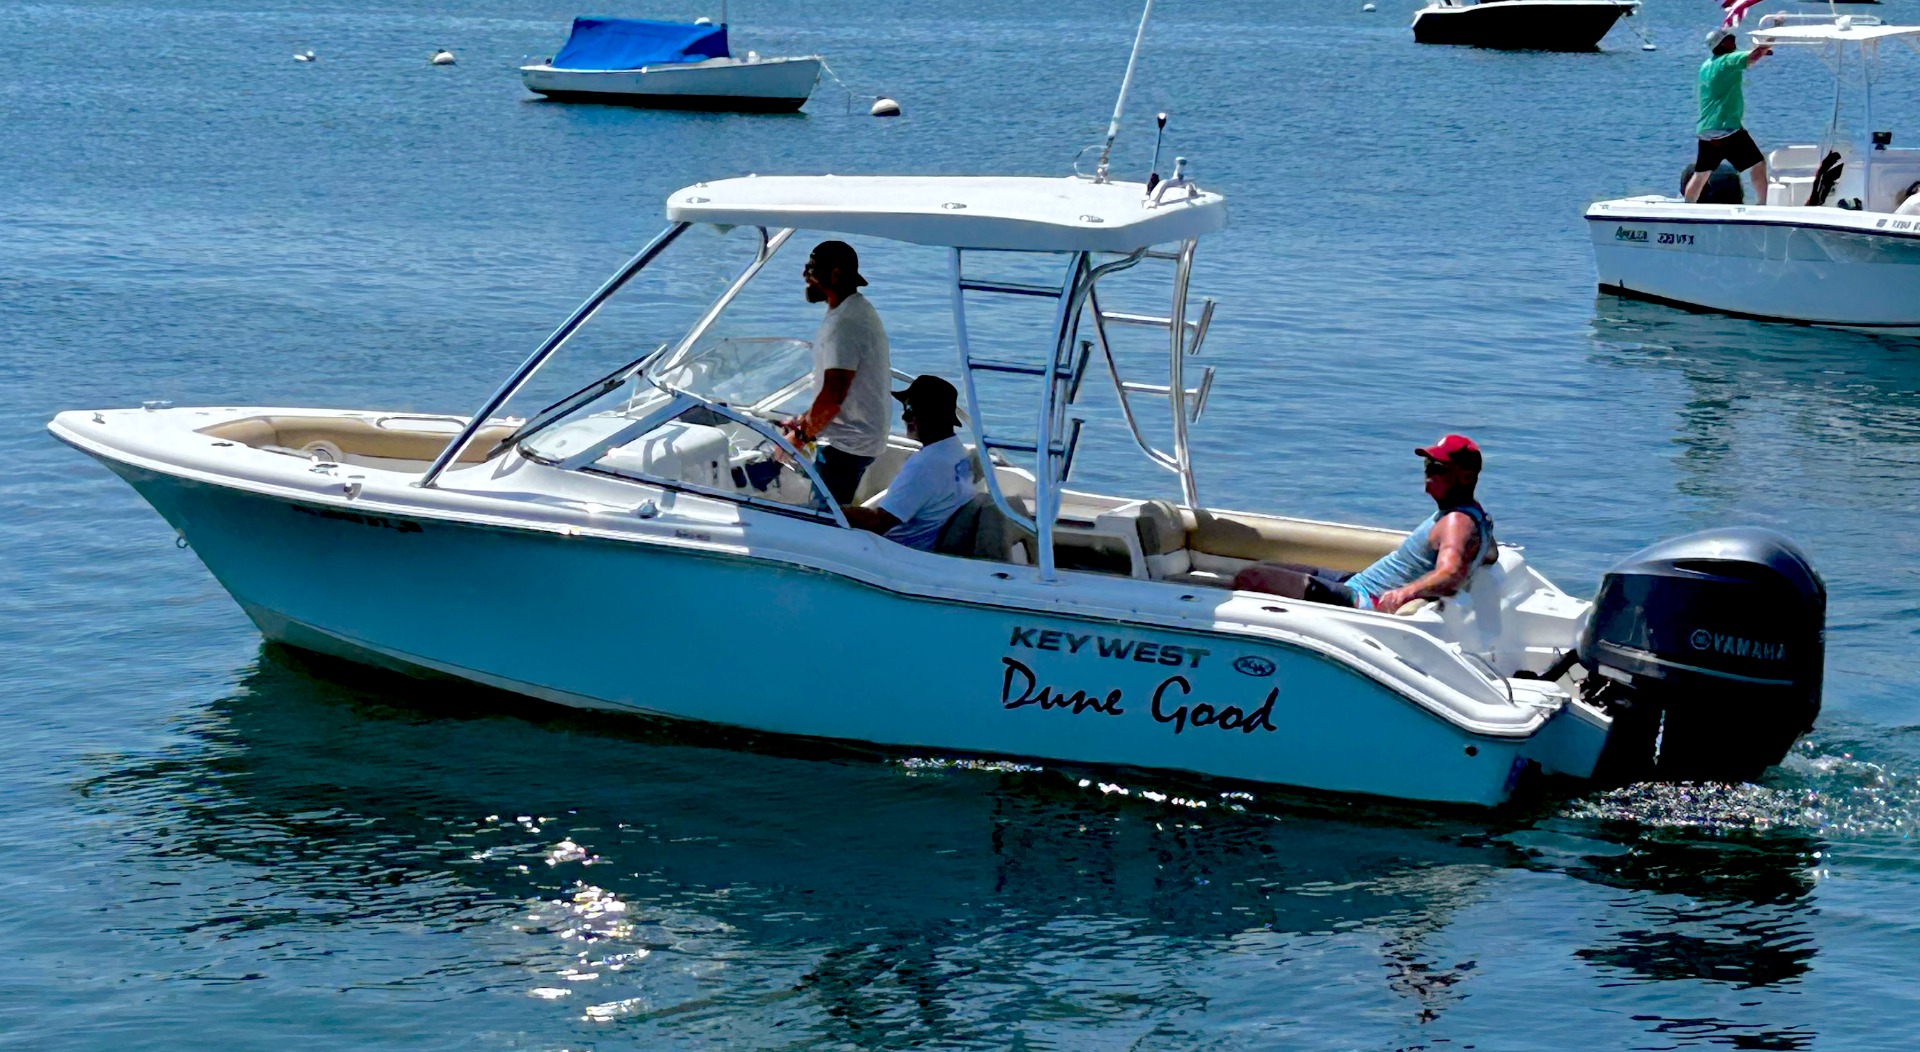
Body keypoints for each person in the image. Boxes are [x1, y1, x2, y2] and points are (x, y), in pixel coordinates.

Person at [1231, 434, 1498, 613]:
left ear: (1465, 477)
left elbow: (1451, 573)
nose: (1428, 473)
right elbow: (1489, 554)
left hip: (1363, 600)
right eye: (1427, 464)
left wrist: (1405, 593)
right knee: (1266, 568)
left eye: (1437, 467)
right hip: (1358, 583)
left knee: (1250, 577)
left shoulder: (1456, 522)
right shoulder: (1475, 517)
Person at [782, 240, 891, 504]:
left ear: (835, 274)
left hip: (846, 445)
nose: (805, 276)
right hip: (858, 438)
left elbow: (833, 396)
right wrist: (805, 419)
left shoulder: (845, 323)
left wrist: (798, 437)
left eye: (811, 268)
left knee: (822, 524)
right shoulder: (855, 310)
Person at [840, 375, 975, 551]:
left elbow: (878, 523)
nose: (905, 417)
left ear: (933, 415)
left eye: (911, 409)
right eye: (905, 408)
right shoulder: (957, 451)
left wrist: (835, 510)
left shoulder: (926, 466)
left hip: (895, 551)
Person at [1684, 28, 1772, 206]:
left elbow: (1750, 57)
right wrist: (1774, 30)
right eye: (1730, 39)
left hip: (1707, 130)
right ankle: (1762, 205)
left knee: (1702, 172)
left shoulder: (1707, 65)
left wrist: (1760, 51)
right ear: (1721, 44)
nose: (1734, 41)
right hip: (1727, 128)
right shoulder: (1728, 60)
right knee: (1757, 163)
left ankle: (1688, 206)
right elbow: (1753, 56)